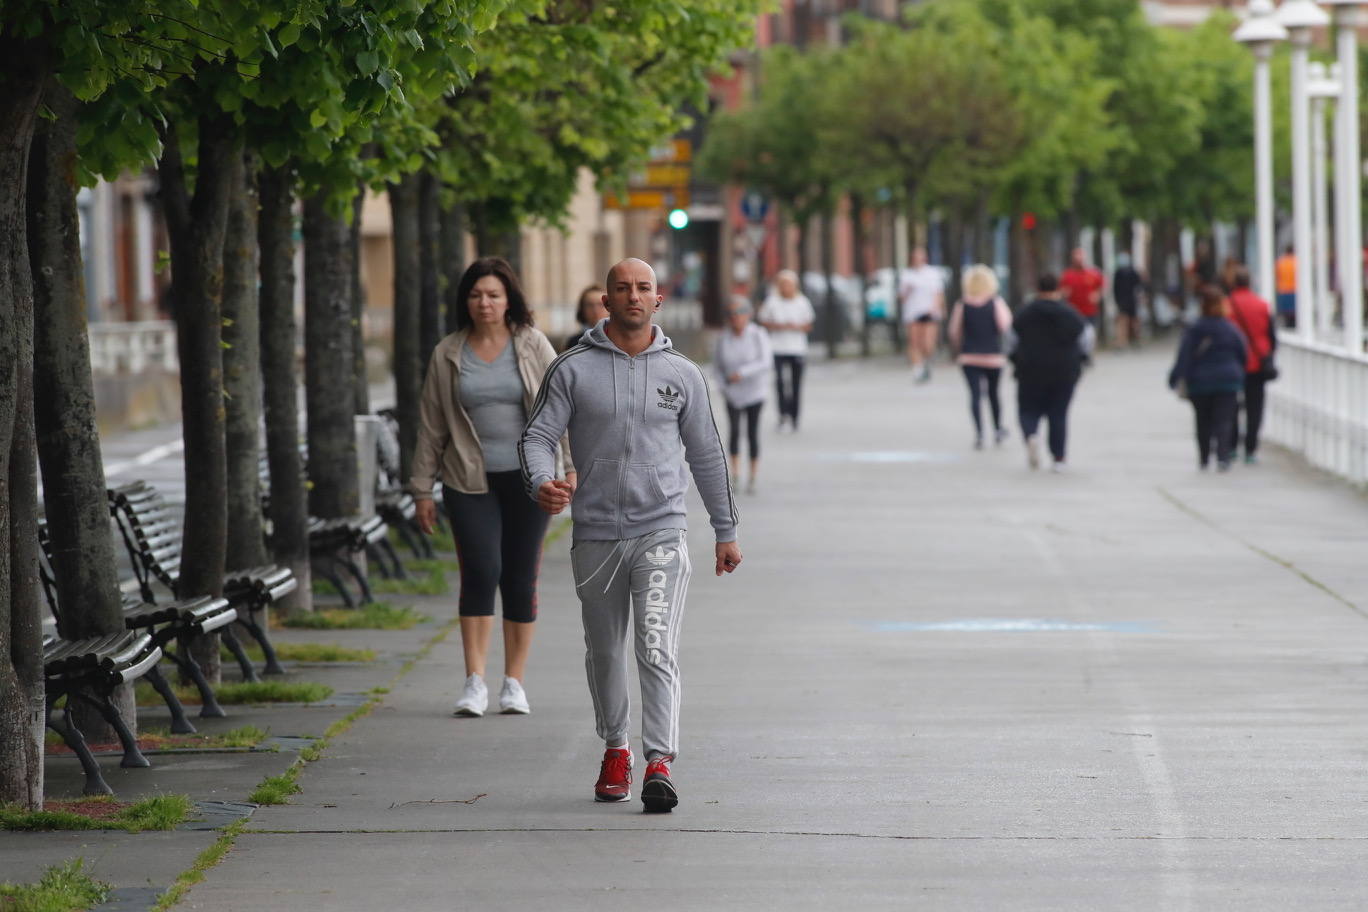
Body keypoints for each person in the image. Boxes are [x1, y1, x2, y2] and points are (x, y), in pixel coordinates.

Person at [520, 257, 742, 814]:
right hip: (595, 533)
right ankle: (616, 748)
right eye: (623, 288)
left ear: (657, 300)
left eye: (644, 288)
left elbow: (707, 453)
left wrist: (725, 529)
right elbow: (538, 436)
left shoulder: (683, 374)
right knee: (605, 651)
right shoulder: (571, 369)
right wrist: (542, 482)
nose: (634, 296)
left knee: (655, 643)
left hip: (662, 528)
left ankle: (660, 762)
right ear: (607, 301)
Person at [411, 257, 574, 718]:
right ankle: (475, 681)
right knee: (481, 570)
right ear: (466, 300)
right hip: (467, 479)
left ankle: (514, 683)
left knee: (520, 577)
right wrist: (422, 489)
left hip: (530, 478)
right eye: (477, 295)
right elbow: (432, 426)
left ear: (509, 300)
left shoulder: (532, 344)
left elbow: (559, 409)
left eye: (494, 295)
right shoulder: (447, 353)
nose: (485, 303)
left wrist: (569, 467)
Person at [1010, 274, 1094, 472]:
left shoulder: (1024, 313)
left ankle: (1031, 435)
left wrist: (1014, 358)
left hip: (1030, 369)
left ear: (1037, 289)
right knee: (1059, 413)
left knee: (1028, 409)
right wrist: (1082, 358)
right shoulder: (1070, 314)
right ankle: (1059, 458)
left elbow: (1009, 339)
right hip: (1064, 370)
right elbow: (1087, 337)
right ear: (1059, 289)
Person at [1168, 285, 1248, 471]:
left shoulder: (1195, 329)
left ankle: (1204, 457)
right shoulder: (1231, 329)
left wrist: (1175, 377)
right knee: (1225, 420)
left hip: (1200, 382)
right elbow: (1242, 353)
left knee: (1202, 420)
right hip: (1228, 381)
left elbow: (1184, 355)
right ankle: (1223, 456)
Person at [947, 264, 1012, 449]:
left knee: (974, 395)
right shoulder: (996, 302)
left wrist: (960, 346)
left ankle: (979, 433)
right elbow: (1005, 326)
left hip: (969, 356)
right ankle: (998, 429)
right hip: (993, 356)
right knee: (993, 394)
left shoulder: (962, 304)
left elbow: (954, 331)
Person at [714, 294, 772, 493]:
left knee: (752, 433)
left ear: (748, 315)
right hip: (733, 393)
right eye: (731, 314)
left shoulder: (758, 334)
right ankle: (736, 473)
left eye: (740, 313)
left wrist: (743, 373)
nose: (735, 318)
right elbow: (718, 367)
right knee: (734, 432)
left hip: (755, 391)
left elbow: (765, 362)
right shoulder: (723, 338)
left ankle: (753, 475)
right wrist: (724, 387)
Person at [1224, 266, 1277, 464]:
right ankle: (1251, 448)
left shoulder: (1227, 305)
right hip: (1257, 363)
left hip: (1233, 363)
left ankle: (1231, 445)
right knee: (1255, 407)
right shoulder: (1262, 305)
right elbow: (1271, 336)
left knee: (1231, 405)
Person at [758, 269, 815, 431]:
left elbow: (809, 324)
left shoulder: (802, 302)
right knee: (781, 383)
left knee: (796, 384)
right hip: (777, 348)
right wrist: (779, 326)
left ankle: (795, 416)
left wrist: (796, 326)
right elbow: (763, 321)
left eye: (789, 284)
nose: (786, 288)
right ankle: (783, 415)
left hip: (797, 348)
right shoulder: (772, 301)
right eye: (782, 284)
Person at [898, 246, 945, 383]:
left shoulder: (932, 273)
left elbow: (938, 293)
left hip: (929, 311)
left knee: (928, 343)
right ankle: (917, 369)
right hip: (913, 312)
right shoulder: (907, 275)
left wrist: (936, 307)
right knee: (914, 342)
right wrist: (907, 290)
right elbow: (901, 297)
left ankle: (926, 363)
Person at [1059, 247, 1104, 327]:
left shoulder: (1093, 273)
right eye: (1076, 257)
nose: (1079, 259)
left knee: (1089, 334)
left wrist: (1097, 295)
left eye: (1080, 257)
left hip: (1089, 312)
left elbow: (1102, 286)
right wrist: (1064, 293)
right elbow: (1061, 291)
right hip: (1072, 313)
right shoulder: (1067, 275)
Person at [1112, 253, 1145, 348]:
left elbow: (1139, 286)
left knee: (1133, 321)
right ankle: (1122, 341)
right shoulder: (1119, 273)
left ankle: (1135, 339)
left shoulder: (1132, 272)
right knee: (1123, 320)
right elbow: (1115, 288)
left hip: (1131, 299)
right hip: (1123, 300)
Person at [563, 284, 607, 352]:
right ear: (582, 309)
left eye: (600, 304)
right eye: (590, 305)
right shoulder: (574, 342)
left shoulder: (619, 339)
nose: (595, 310)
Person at [1275, 245, 1297, 328]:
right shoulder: (1296, 261)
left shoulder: (1281, 262)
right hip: (1294, 289)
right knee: (1294, 313)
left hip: (1283, 289)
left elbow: (1277, 275)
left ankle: (1288, 325)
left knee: (1286, 314)